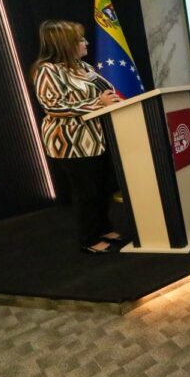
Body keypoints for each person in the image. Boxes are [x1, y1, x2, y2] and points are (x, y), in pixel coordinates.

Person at [32, 20, 123, 253]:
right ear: (65, 43)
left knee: (102, 187)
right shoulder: (47, 70)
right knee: (86, 192)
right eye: (80, 40)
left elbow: (105, 91)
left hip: (98, 138)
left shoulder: (83, 66)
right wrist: (97, 103)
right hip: (72, 142)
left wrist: (110, 99)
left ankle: (104, 227)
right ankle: (89, 239)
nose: (86, 43)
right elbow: (53, 106)